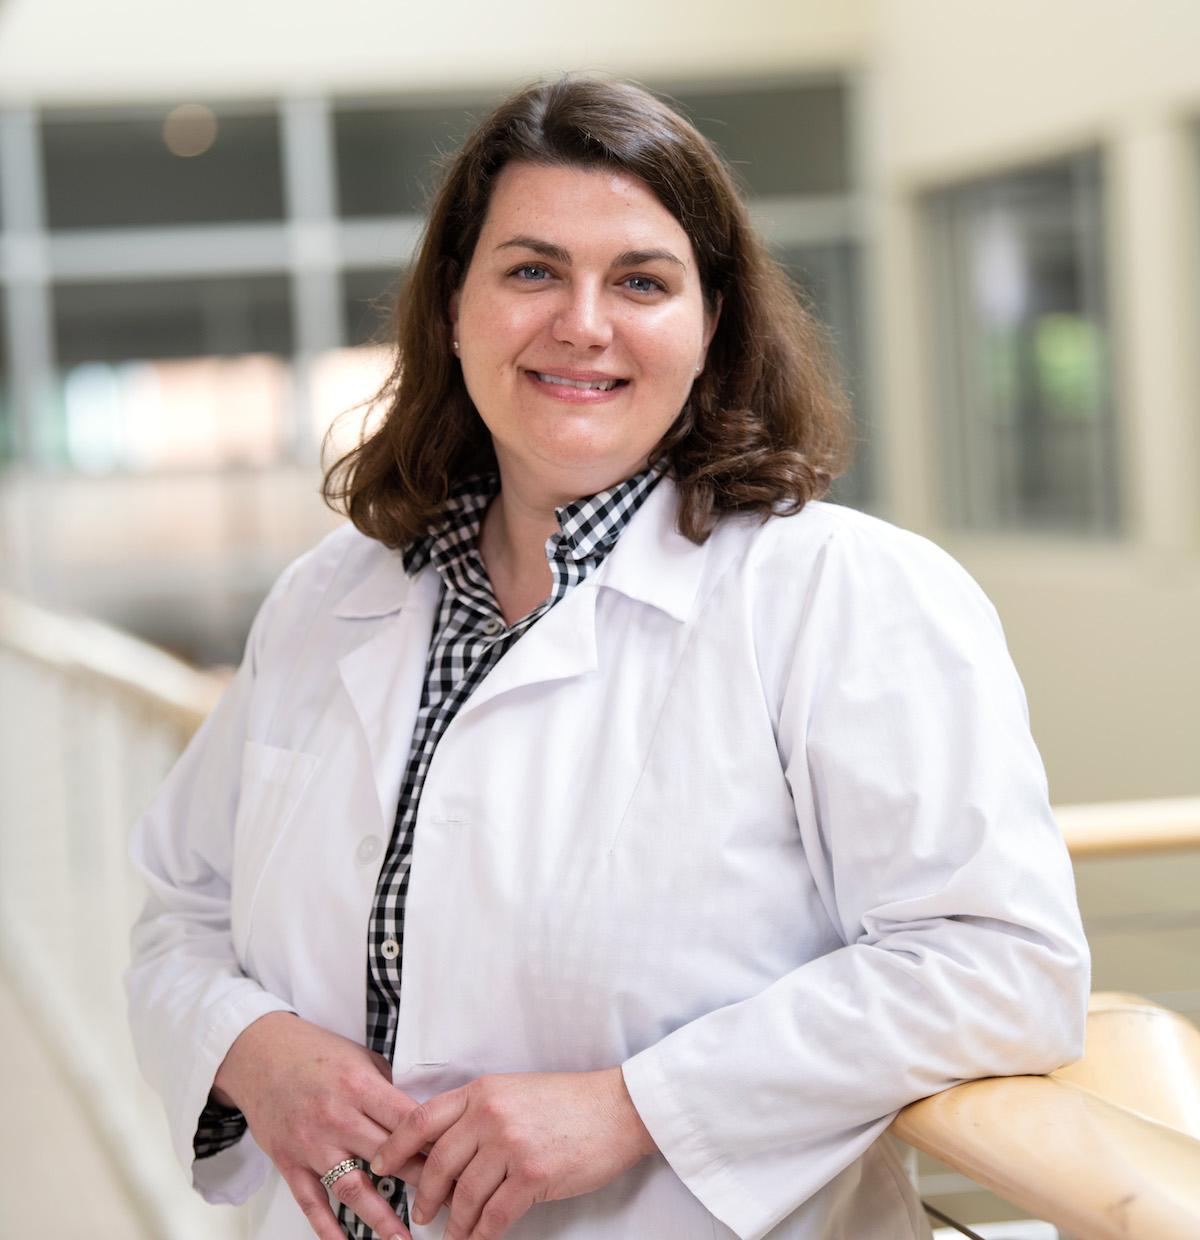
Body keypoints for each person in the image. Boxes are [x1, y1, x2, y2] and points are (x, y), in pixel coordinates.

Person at [126, 76, 1090, 1240]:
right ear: (453, 307)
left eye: (641, 280)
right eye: (532, 270)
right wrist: (253, 1050)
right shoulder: (328, 600)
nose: (583, 322)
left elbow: (999, 966)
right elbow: (184, 908)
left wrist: (638, 1105)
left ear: (710, 322)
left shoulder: (845, 595)